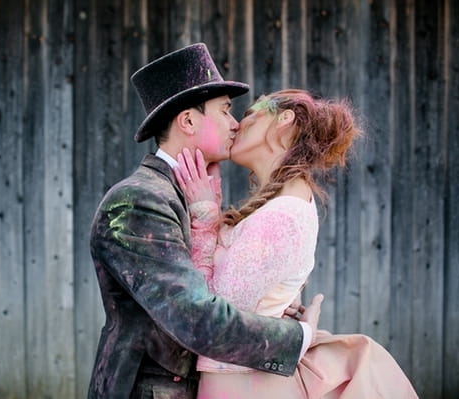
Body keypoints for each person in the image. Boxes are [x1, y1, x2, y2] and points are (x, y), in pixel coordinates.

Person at [87, 44, 325, 399]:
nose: (235, 124)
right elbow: (196, 319)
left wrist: (263, 305)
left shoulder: (191, 192)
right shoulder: (139, 200)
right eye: (226, 111)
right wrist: (300, 336)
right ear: (187, 120)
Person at [174, 89, 419, 398]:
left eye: (249, 115)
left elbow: (211, 316)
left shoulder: (283, 215)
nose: (236, 124)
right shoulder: (281, 206)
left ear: (284, 120)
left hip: (242, 385)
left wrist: (205, 218)